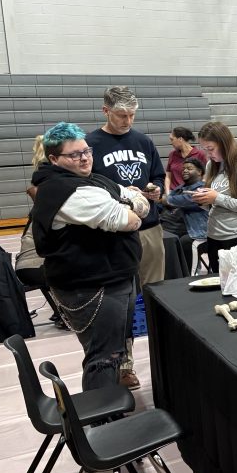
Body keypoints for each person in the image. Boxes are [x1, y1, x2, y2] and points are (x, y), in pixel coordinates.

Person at [31, 123, 147, 390]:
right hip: (92, 287)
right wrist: (130, 206)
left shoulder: (92, 180)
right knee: (103, 357)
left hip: (115, 278)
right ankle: (101, 423)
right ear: (54, 159)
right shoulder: (66, 190)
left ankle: (110, 409)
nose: (84, 158)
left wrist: (130, 203)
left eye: (86, 151)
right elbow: (129, 218)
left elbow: (140, 201)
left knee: (115, 351)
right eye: (74, 154)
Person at [86, 86, 164, 390]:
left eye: (132, 114)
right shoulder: (91, 144)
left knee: (156, 297)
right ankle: (124, 365)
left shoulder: (143, 140)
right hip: (114, 235)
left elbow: (158, 176)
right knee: (123, 303)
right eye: (121, 115)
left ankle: (163, 354)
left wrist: (156, 190)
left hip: (150, 229)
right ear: (106, 110)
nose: (127, 120)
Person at [192, 121, 237, 272]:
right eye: (205, 149)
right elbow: (215, 204)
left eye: (210, 149)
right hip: (215, 237)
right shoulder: (211, 165)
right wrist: (203, 200)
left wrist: (217, 198)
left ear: (224, 144)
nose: (208, 154)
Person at [17, 135, 63, 329]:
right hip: (35, 265)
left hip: (25, 264)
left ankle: (64, 311)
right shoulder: (54, 194)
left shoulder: (43, 191)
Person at [164, 157, 209, 272]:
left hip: (198, 231)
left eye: (189, 168)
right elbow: (165, 201)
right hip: (174, 227)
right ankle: (176, 273)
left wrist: (168, 201)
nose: (184, 170)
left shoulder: (203, 188)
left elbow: (189, 200)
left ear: (200, 172)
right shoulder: (179, 188)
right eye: (183, 168)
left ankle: (189, 275)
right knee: (164, 239)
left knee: (184, 241)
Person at [165, 126, 208, 192]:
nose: (171, 143)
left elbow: (205, 176)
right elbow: (168, 176)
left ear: (180, 139)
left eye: (172, 139)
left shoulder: (200, 154)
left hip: (192, 194)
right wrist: (167, 192)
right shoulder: (172, 154)